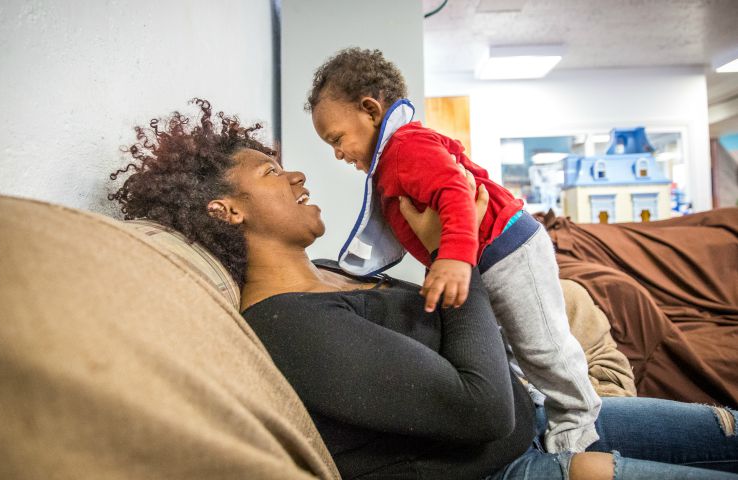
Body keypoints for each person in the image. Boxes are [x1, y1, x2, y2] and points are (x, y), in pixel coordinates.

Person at [109, 99, 738, 480]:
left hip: (543, 417)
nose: (299, 171)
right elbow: (480, 408)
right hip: (517, 463)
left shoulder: (334, 268)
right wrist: (454, 251)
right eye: (272, 172)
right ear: (227, 213)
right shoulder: (287, 326)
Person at [307, 47, 600, 453]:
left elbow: (455, 191)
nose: (338, 153)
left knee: (542, 344)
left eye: (337, 139)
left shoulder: (406, 148)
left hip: (509, 247)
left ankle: (578, 419)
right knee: (508, 345)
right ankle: (534, 402)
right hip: (491, 256)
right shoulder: (392, 158)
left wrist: (453, 257)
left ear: (371, 110)